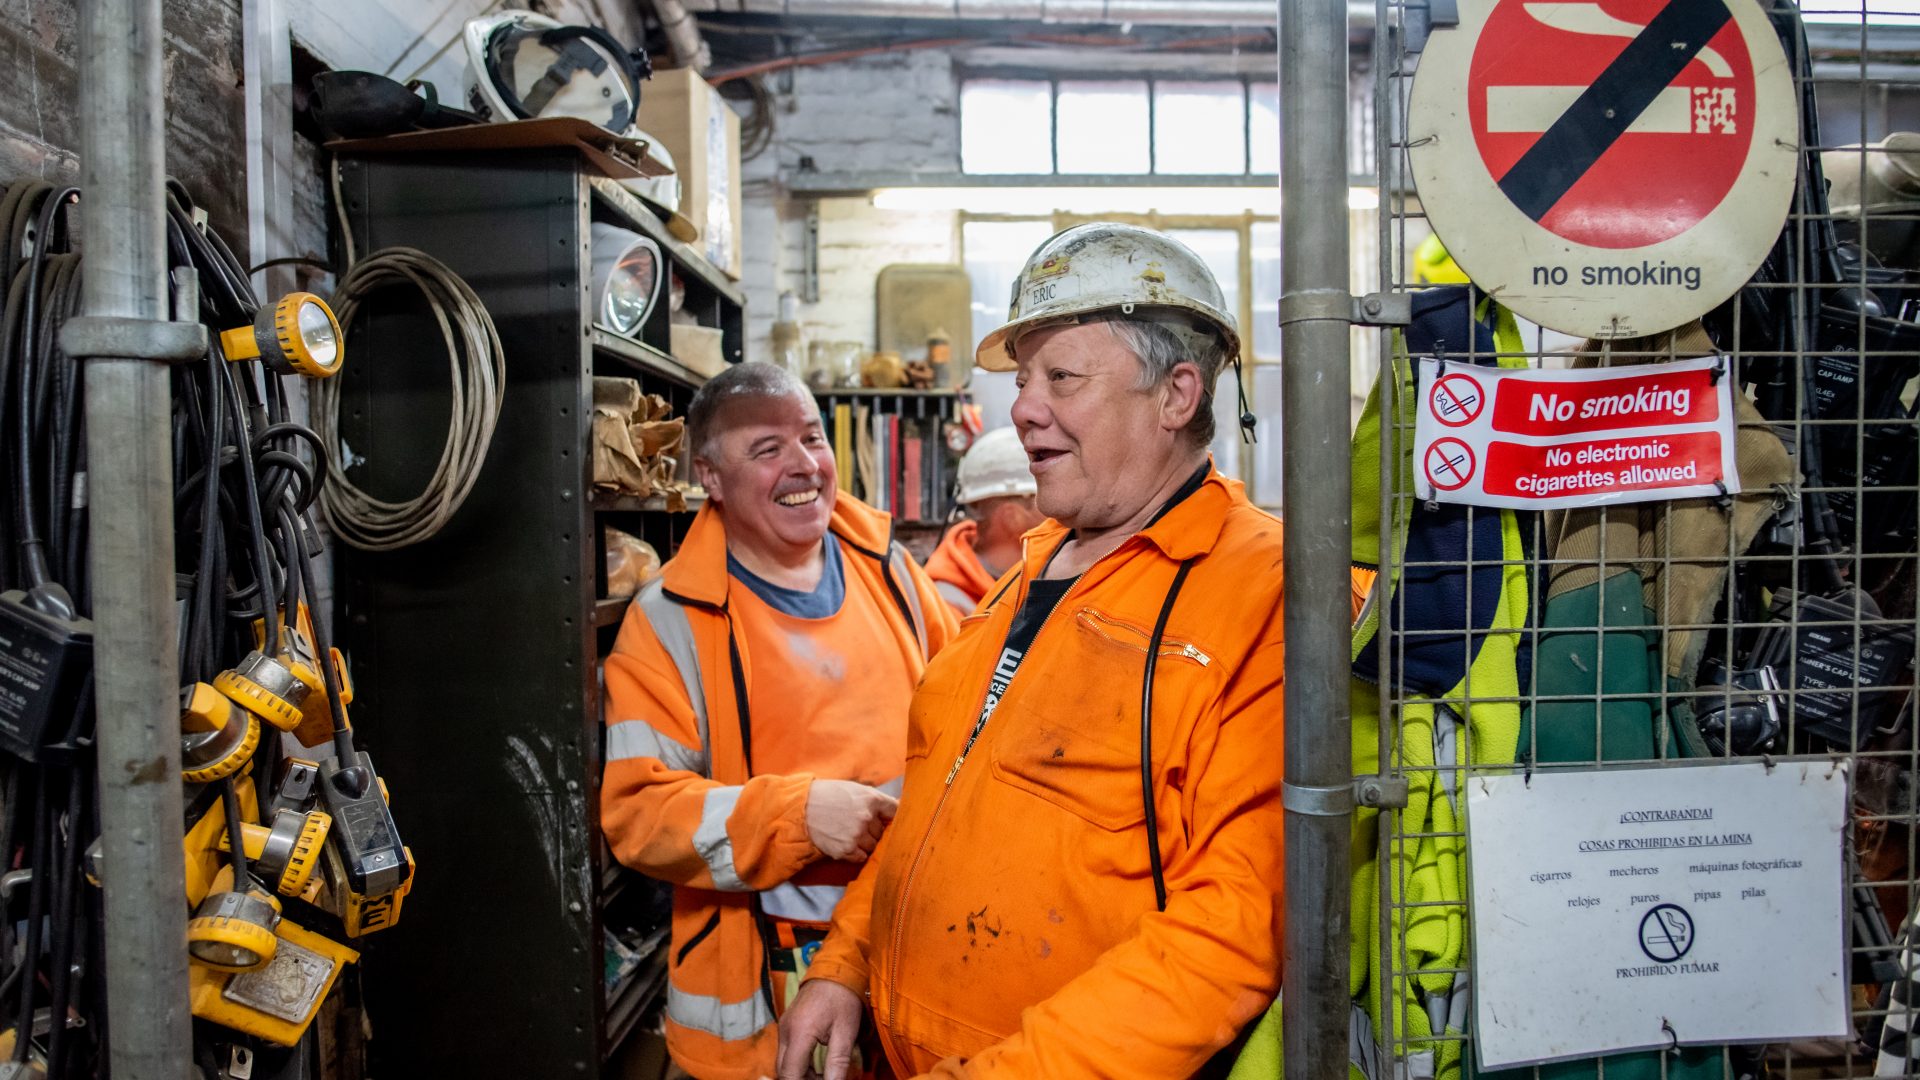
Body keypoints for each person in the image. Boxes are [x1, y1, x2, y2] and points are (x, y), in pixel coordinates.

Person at [777, 223, 1291, 1079]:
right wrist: (846, 964)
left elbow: (1232, 930)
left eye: (1061, 376)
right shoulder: (1031, 572)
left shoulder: (1261, 592)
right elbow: (935, 799)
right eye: (1023, 380)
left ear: (1176, 394)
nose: (1021, 406)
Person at [601, 362, 958, 1080]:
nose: (804, 466)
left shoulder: (893, 574)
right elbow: (638, 813)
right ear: (710, 475)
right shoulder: (668, 623)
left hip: (915, 946)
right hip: (770, 982)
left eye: (812, 438)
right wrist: (799, 815)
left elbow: (968, 721)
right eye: (767, 450)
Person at [924, 428, 1046, 615]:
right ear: (1012, 517)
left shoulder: (1041, 577)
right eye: (1044, 503)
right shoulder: (948, 606)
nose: (1057, 517)